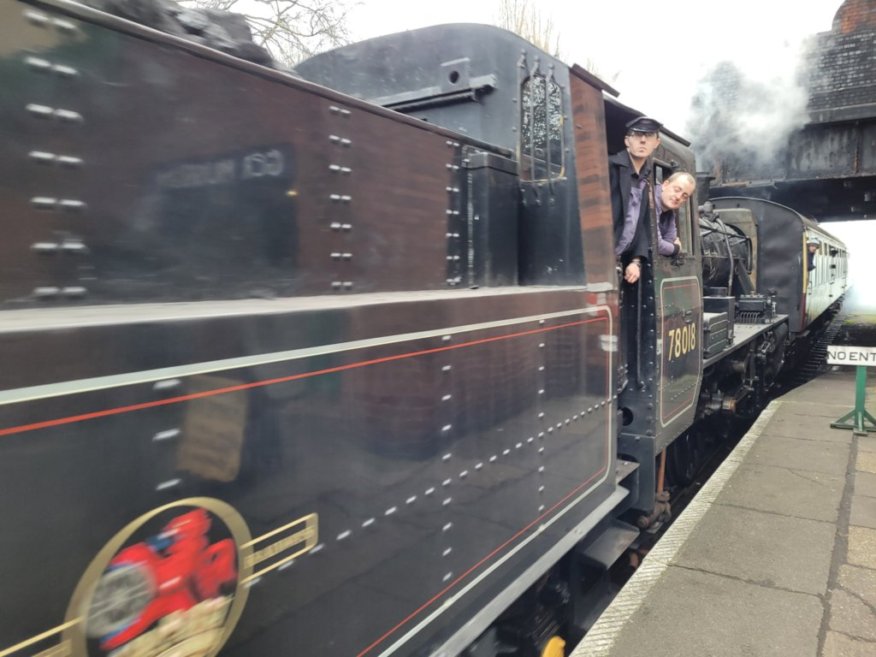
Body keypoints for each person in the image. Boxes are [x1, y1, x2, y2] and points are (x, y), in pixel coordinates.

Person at [609, 116, 662, 284]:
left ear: (656, 143)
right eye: (637, 135)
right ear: (627, 140)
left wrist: (635, 261)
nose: (643, 140)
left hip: (619, 262)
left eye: (649, 136)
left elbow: (641, 224)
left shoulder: (646, 178)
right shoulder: (610, 167)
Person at [654, 172, 697, 257]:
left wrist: (668, 247)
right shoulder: (650, 201)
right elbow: (655, 244)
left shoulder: (669, 212)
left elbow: (670, 239)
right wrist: (676, 248)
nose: (678, 197)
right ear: (665, 185)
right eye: (677, 190)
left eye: (684, 196)